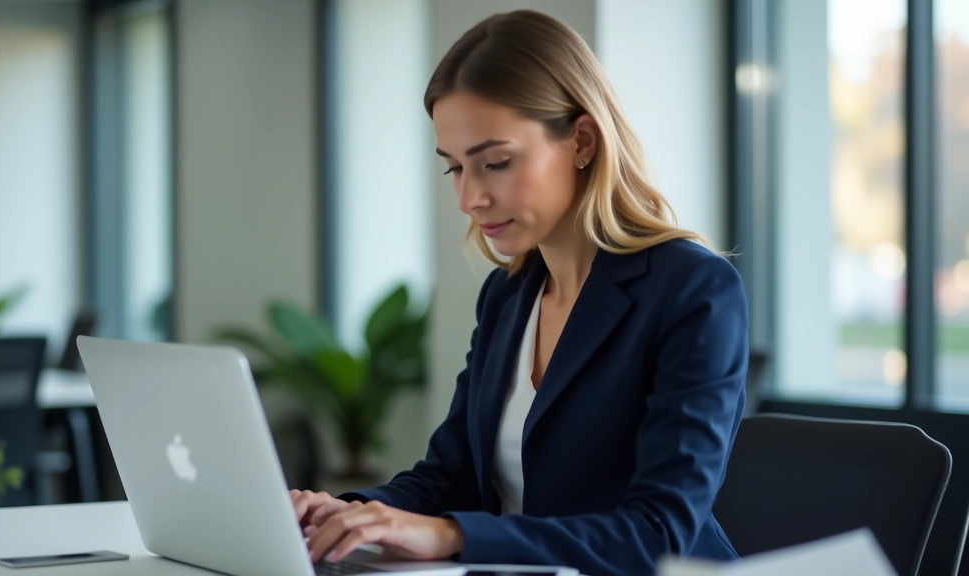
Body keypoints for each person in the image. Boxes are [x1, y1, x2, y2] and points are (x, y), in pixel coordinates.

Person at [292, 10, 747, 576]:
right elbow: (450, 475)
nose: (469, 198)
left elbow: (658, 531)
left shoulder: (692, 290)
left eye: (496, 163)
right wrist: (352, 512)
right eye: (454, 169)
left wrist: (453, 535)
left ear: (581, 140)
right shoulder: (508, 296)